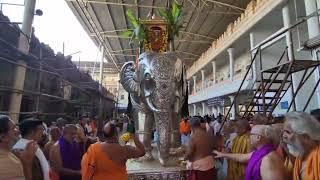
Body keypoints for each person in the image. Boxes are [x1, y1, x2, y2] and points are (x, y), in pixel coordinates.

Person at [215, 125, 286, 180]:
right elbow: (242, 157)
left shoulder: (268, 159)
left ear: (258, 137)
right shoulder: (260, 153)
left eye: (251, 134)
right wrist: (223, 154)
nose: (249, 136)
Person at [282, 112, 320, 180]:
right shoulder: (300, 157)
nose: (283, 136)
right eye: (283, 132)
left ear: (306, 137)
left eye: (288, 132)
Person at [0, 115, 37, 180]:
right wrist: (27, 163)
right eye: (13, 128)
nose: (18, 131)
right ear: (3, 137)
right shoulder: (10, 164)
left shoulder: (9, 154)